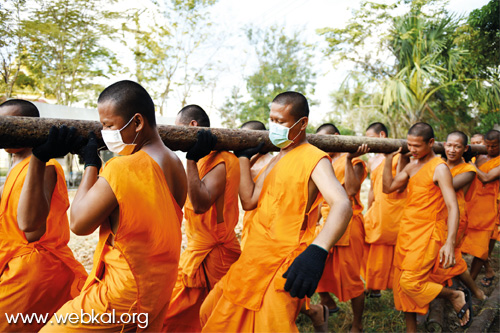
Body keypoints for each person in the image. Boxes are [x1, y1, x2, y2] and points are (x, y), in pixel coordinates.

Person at [41, 80, 187, 331]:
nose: (105, 132)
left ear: (138, 123)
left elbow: (78, 223)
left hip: (122, 296)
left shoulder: (122, 167)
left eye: (109, 125)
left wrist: (91, 165)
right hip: (158, 289)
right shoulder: (176, 165)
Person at [200, 92, 352, 332]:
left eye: (281, 121)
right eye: (272, 120)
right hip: (255, 255)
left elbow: (342, 203)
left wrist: (317, 251)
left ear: (301, 123)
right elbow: (249, 200)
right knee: (211, 312)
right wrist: (243, 159)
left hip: (285, 259)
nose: (274, 126)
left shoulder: (314, 158)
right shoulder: (277, 158)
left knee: (272, 325)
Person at [0, 99, 88, 332]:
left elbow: (32, 228)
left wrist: (40, 158)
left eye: (13, 124)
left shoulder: (46, 166)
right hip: (14, 261)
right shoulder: (16, 164)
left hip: (33, 266)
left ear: (31, 127)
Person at [383, 122, 470, 332]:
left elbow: (452, 206)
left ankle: (454, 295)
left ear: (431, 143)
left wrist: (449, 242)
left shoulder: (439, 168)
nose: (412, 149)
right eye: (409, 145)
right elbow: (388, 187)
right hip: (407, 233)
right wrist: (388, 160)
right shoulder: (412, 166)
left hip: (428, 234)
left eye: (417, 146)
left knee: (410, 283)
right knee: (401, 288)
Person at [163, 105, 241, 332]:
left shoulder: (221, 159)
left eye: (178, 129)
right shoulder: (202, 160)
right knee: (177, 311)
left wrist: (190, 160)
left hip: (216, 253)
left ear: (192, 126)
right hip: (197, 250)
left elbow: (200, 204)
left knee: (220, 315)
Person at [315, 123, 368, 333]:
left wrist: (347, 157)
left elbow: (352, 191)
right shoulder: (323, 162)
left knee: (350, 276)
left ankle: (357, 324)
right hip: (326, 221)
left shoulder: (354, 160)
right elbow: (320, 198)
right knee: (317, 266)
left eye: (326, 140)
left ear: (336, 137)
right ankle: (327, 301)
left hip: (348, 222)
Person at [429, 131, 486, 301]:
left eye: (457, 146)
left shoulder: (469, 170)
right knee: (442, 256)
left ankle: (475, 292)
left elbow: (449, 186)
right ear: (443, 145)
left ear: (465, 148)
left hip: (455, 217)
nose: (452, 150)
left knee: (451, 255)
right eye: (449, 145)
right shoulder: (440, 164)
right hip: (437, 214)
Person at [363, 122, 407, 297]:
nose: (369, 143)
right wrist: (370, 207)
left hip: (394, 207)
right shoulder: (372, 161)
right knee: (370, 245)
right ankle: (373, 283)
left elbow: (402, 185)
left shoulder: (399, 156)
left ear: (382, 136)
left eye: (371, 138)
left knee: (387, 247)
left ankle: (392, 285)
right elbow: (373, 187)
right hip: (378, 207)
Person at [461, 129, 500, 287]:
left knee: (481, 248)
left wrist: (470, 164)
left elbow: (486, 178)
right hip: (471, 203)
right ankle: (462, 278)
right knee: (463, 243)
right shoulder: (479, 156)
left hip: (488, 209)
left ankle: (470, 282)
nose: (490, 149)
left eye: (494, 146)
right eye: (488, 145)